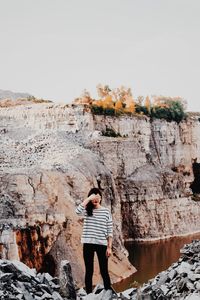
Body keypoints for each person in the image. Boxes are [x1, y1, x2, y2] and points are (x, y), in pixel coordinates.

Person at [75, 187, 113, 294]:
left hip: (102, 244)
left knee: (104, 270)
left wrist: (109, 247)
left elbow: (110, 231)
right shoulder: (87, 210)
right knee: (89, 271)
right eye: (93, 198)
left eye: (97, 197)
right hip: (88, 244)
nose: (95, 200)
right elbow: (77, 211)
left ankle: (108, 293)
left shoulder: (106, 212)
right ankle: (89, 295)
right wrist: (88, 199)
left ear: (100, 198)